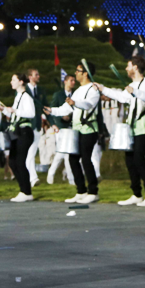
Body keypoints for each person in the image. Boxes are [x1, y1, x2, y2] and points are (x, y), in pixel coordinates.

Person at [96, 56, 145, 207]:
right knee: (130, 160)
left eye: (128, 66)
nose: (126, 68)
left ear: (135, 67)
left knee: (139, 159)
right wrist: (103, 88)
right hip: (133, 127)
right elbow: (120, 97)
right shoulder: (132, 85)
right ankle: (136, 194)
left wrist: (135, 92)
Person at [44, 60, 102, 204]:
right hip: (77, 129)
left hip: (89, 129)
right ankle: (81, 190)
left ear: (86, 73)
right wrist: (52, 111)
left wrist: (75, 103)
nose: (75, 73)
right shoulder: (78, 91)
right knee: (73, 159)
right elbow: (66, 108)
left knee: (86, 159)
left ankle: (93, 192)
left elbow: (89, 105)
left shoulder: (93, 89)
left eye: (78, 71)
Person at [1, 73, 36, 202]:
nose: (11, 82)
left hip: (24, 132)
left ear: (21, 82)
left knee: (19, 161)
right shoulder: (18, 97)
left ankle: (26, 192)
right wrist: (4, 110)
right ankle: (23, 190)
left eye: (13, 80)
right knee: (13, 161)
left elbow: (31, 113)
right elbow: (15, 114)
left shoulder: (26, 96)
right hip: (18, 132)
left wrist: (14, 111)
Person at [46, 73, 76, 186]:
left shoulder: (75, 95)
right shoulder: (58, 95)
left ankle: (53, 172)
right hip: (60, 127)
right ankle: (70, 178)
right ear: (65, 81)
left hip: (71, 126)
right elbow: (52, 111)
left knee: (63, 153)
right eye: (71, 80)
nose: (73, 83)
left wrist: (70, 116)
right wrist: (57, 121)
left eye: (74, 81)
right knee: (66, 152)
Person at [25, 68, 44, 187]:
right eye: (36, 74)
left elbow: (44, 106)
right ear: (30, 77)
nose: (39, 76)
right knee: (29, 153)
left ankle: (31, 178)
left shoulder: (40, 90)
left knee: (31, 153)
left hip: (37, 126)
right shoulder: (23, 90)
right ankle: (33, 178)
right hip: (27, 126)